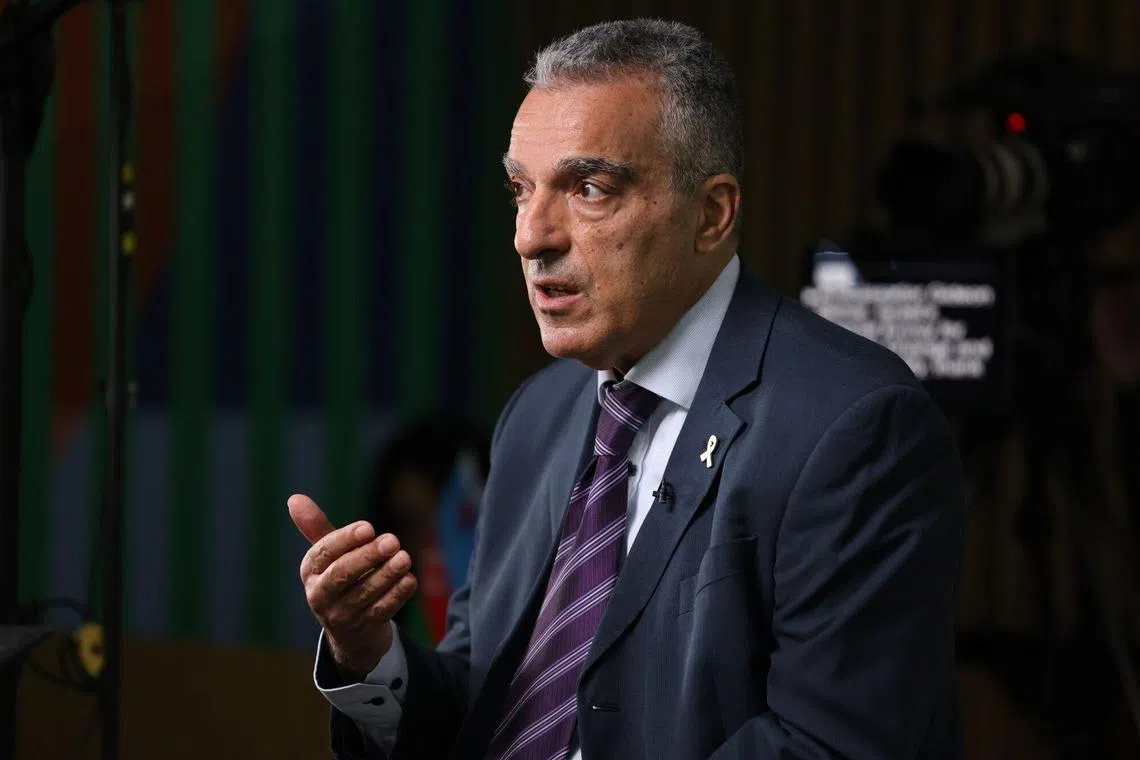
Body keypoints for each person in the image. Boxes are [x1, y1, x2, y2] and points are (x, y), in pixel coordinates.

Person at [289, 19, 966, 760]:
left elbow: (827, 746)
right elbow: (485, 701)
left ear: (711, 214)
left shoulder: (854, 426)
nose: (531, 237)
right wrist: (369, 654)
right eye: (521, 189)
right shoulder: (536, 416)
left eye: (588, 188)